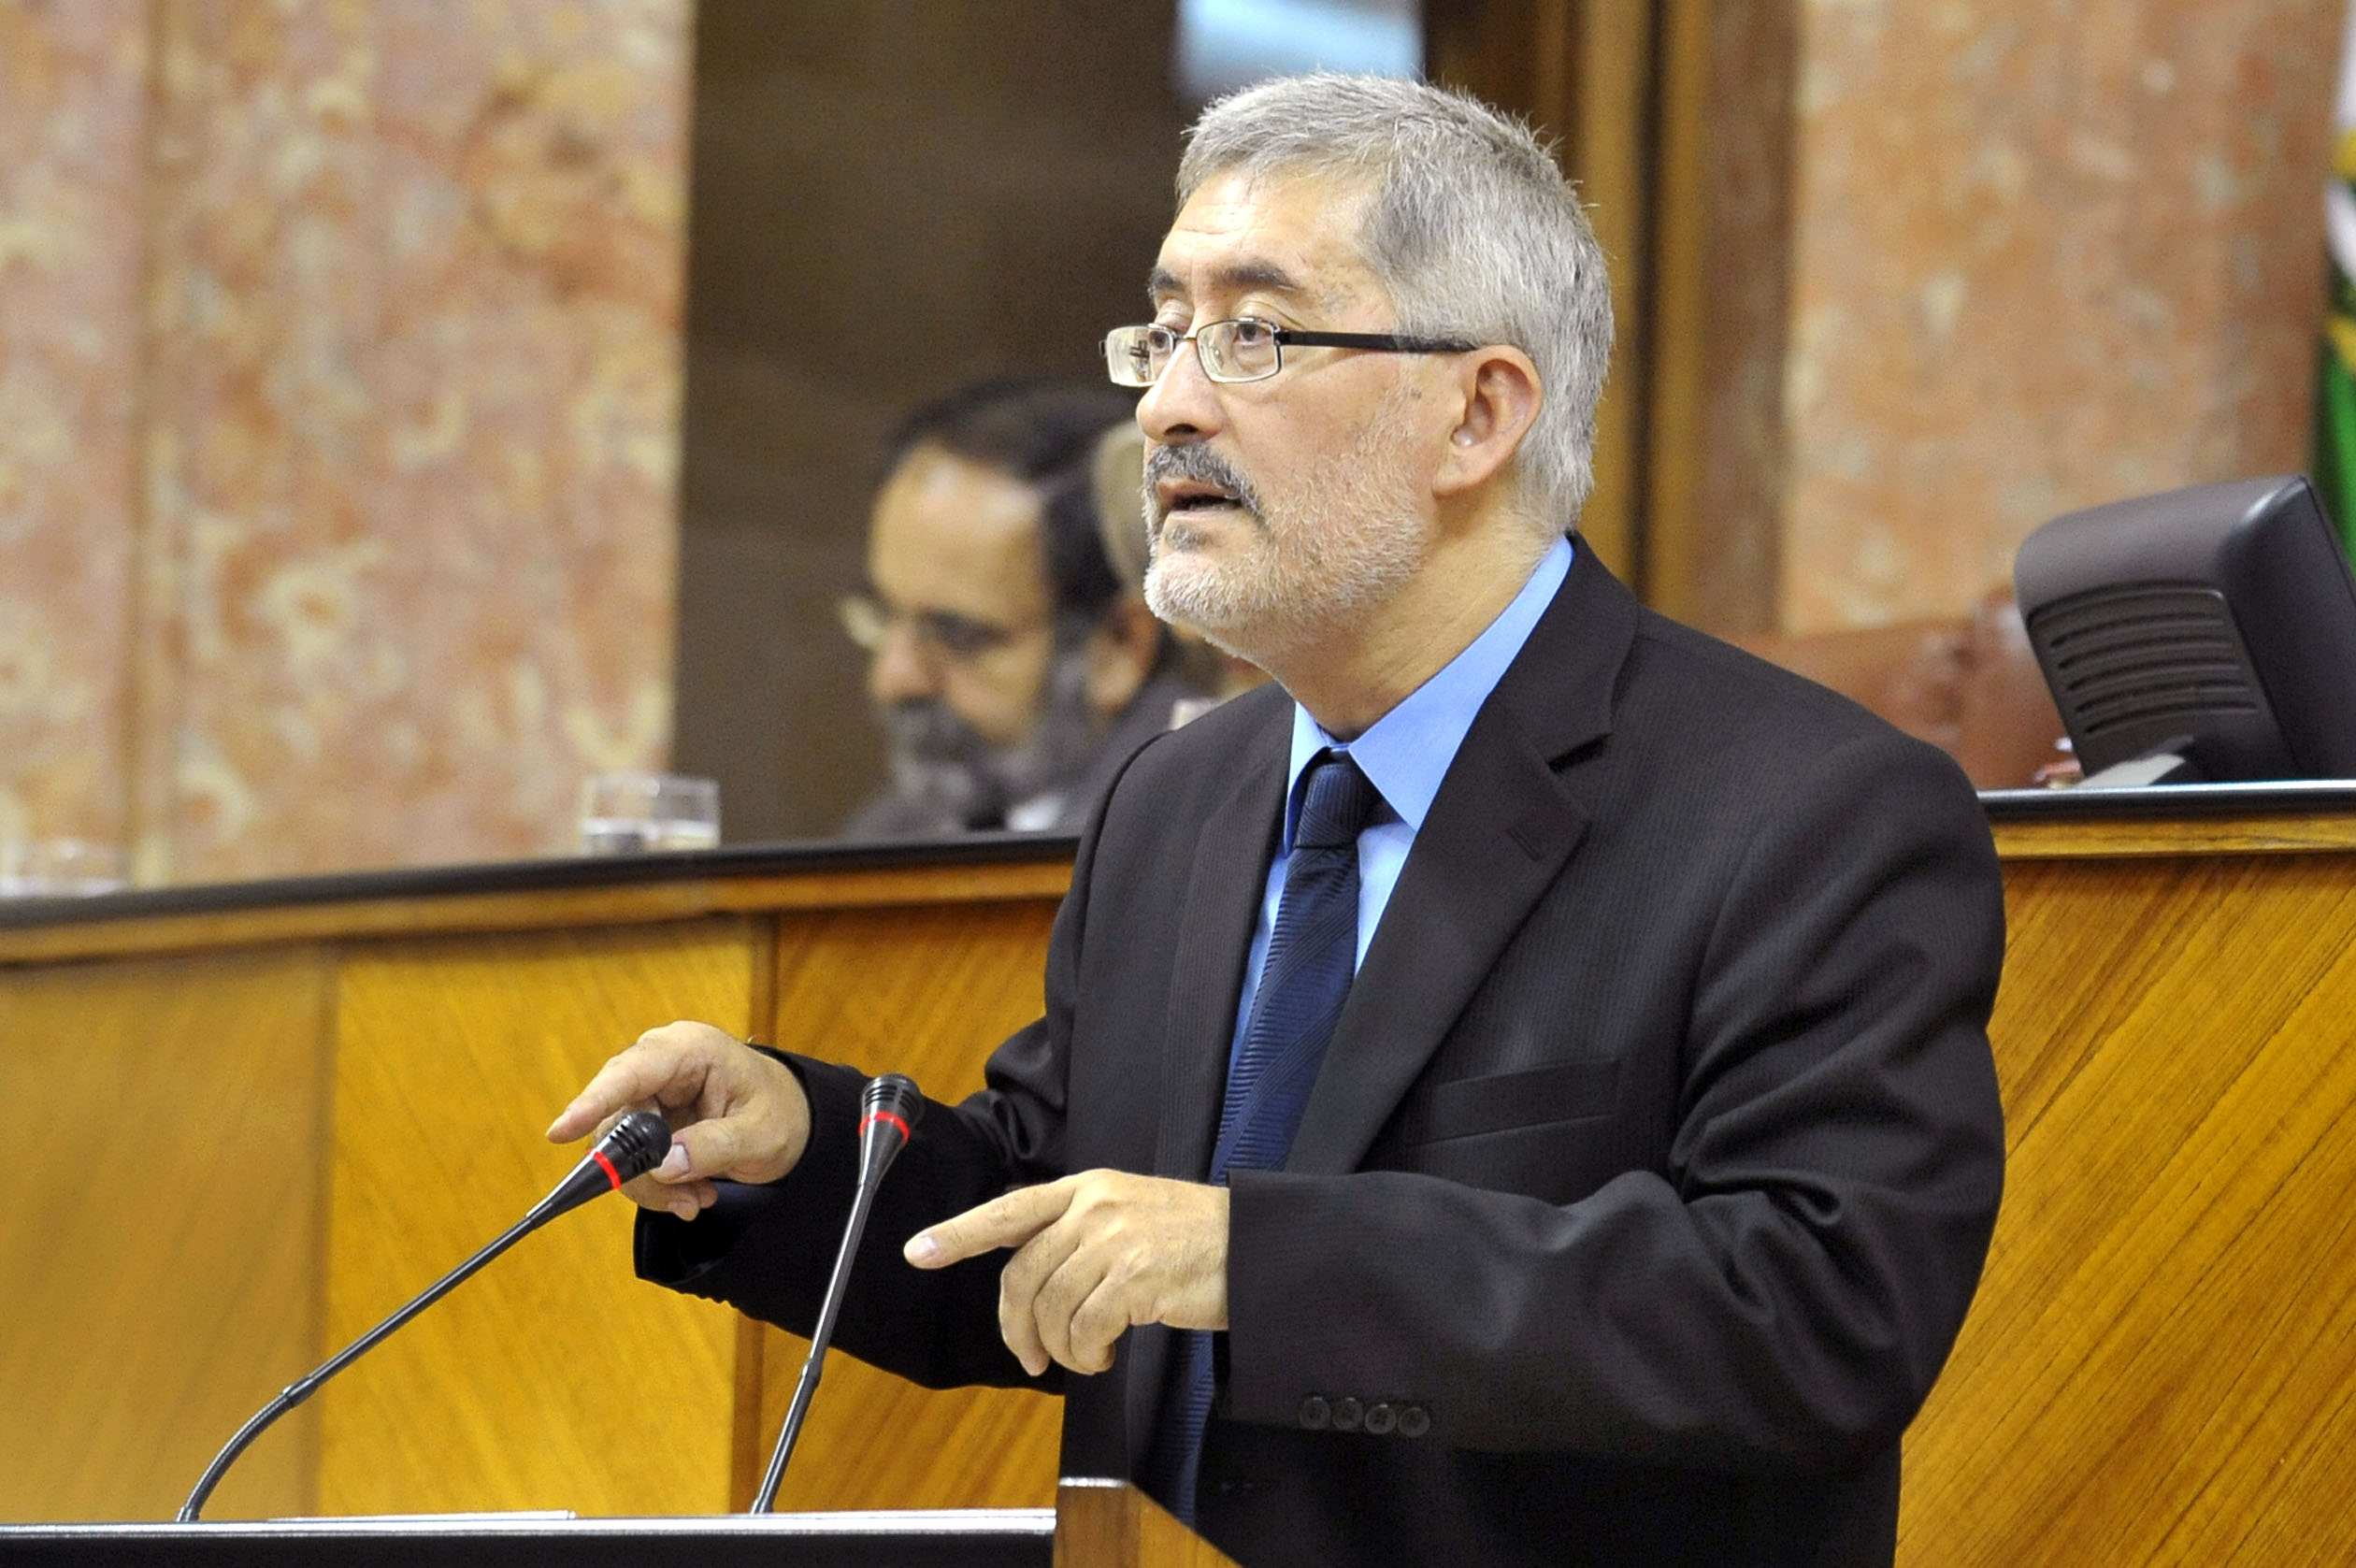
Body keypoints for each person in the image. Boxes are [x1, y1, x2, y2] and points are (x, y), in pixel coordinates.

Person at [551, 73, 2005, 1567]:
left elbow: (1818, 1314)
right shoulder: (1176, 797)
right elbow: (1061, 1222)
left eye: (1255, 334)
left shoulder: (1812, 813)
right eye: (1164, 332)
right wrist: (799, 1151)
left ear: (1477, 413)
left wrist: (1259, 1263)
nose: (1167, 405)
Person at [838, 378, 1201, 836]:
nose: (893, 680)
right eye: (882, 614)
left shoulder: (1194, 829)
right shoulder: (890, 835)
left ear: (1120, 644)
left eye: (957, 635)